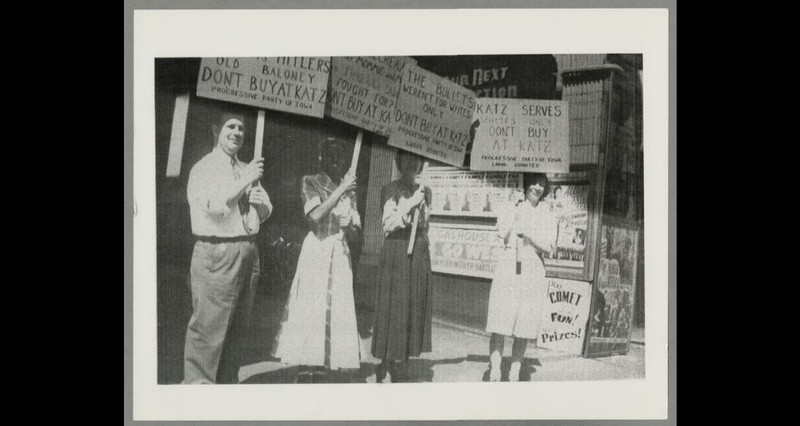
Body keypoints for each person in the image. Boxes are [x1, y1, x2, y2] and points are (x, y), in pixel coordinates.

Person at [183, 110, 273, 384]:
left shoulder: (245, 167)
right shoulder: (205, 167)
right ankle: (198, 391)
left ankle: (225, 389)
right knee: (209, 329)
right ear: (215, 130)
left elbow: (265, 212)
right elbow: (215, 206)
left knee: (236, 330)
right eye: (230, 127)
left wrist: (258, 201)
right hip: (217, 252)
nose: (236, 133)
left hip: (247, 252)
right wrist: (245, 180)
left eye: (241, 128)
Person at [271, 137, 362, 383]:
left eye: (340, 156)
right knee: (312, 310)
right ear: (321, 157)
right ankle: (305, 369)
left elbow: (354, 233)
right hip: (318, 252)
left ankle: (326, 367)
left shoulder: (349, 190)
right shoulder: (310, 182)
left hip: (339, 253)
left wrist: (351, 224)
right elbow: (315, 216)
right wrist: (342, 190)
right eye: (330, 155)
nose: (335, 160)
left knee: (336, 311)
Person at [485, 173, 557, 382]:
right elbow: (502, 233)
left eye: (542, 184)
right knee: (501, 320)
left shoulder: (547, 214)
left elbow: (551, 247)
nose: (537, 188)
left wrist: (531, 235)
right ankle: (496, 370)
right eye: (534, 182)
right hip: (510, 264)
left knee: (524, 324)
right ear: (525, 184)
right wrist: (515, 211)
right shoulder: (511, 206)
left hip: (533, 267)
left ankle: (515, 371)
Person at [370, 150, 433, 383]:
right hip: (396, 251)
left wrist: (422, 204)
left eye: (415, 159)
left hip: (417, 252)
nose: (411, 163)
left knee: (410, 307)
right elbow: (388, 224)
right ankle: (385, 363)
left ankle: (401, 360)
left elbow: (425, 225)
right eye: (406, 159)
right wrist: (409, 205)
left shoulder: (425, 190)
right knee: (392, 308)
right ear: (398, 162)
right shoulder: (389, 189)